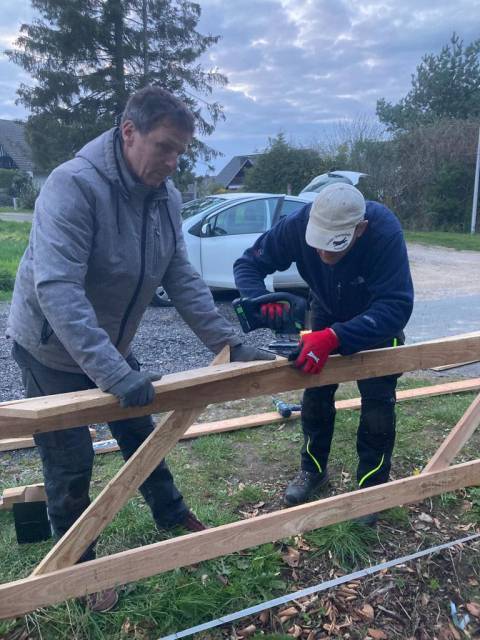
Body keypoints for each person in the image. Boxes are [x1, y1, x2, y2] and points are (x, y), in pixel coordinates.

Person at [7, 86, 273, 611]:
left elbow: (180, 273)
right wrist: (112, 371)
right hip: (51, 349)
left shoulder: (165, 197)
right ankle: (78, 569)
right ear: (129, 132)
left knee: (140, 434)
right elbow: (57, 288)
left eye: (181, 151)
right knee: (69, 462)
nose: (173, 162)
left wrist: (228, 342)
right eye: (164, 147)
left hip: (110, 343)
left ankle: (171, 516)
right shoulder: (72, 187)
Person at [234, 183, 414, 514]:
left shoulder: (383, 232)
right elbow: (248, 264)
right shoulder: (296, 225)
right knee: (315, 396)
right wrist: (258, 300)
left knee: (378, 406)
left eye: (334, 247)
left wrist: (335, 338)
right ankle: (313, 470)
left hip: (376, 320)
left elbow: (397, 306)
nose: (324, 256)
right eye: (318, 246)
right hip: (325, 310)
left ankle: (371, 488)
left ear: (359, 230)